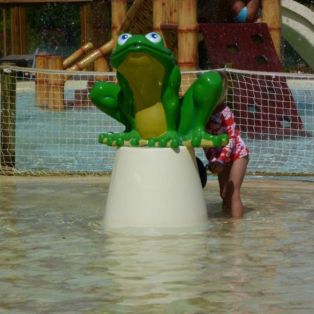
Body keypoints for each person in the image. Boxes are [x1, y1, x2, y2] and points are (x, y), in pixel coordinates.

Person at [204, 102, 249, 218]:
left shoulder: (224, 110)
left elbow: (232, 138)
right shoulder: (201, 112)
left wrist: (221, 160)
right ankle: (226, 224)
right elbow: (205, 142)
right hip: (219, 155)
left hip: (237, 153)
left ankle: (236, 229)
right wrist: (213, 160)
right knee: (224, 194)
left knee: (233, 192)